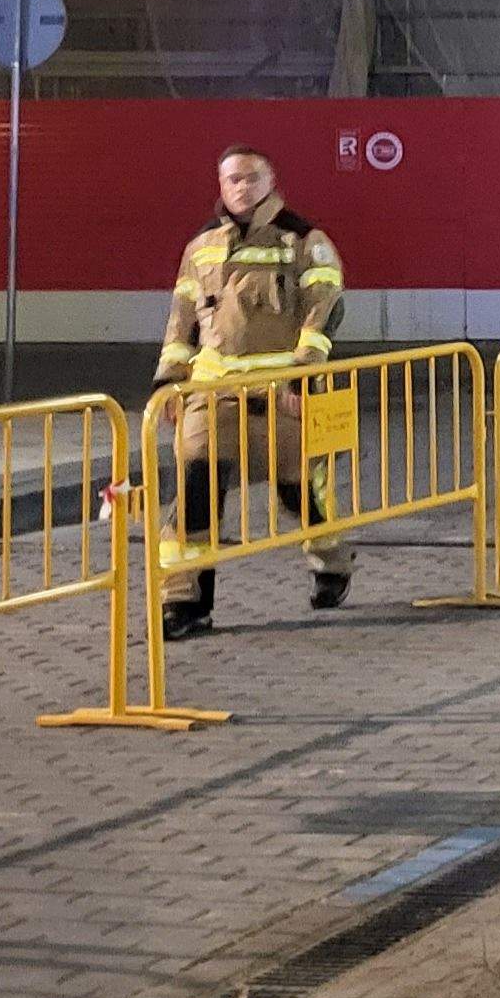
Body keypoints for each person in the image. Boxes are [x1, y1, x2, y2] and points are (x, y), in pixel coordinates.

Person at [150, 144, 353, 638]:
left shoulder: (304, 240)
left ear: (270, 181)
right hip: (212, 393)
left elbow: (325, 309)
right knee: (195, 489)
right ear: (220, 186)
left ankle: (331, 562)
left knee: (299, 493)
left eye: (250, 178)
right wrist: (170, 381)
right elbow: (181, 319)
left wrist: (304, 376)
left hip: (283, 395)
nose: (241, 188)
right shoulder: (202, 245)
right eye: (232, 180)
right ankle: (184, 601)